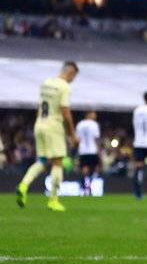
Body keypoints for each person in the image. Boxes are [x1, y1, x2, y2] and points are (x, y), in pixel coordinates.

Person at [16, 61, 79, 211]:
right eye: (73, 77)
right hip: (53, 126)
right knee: (58, 163)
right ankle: (53, 199)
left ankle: (24, 184)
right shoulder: (64, 87)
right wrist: (72, 134)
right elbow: (65, 112)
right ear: (70, 73)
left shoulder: (46, 83)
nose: (72, 80)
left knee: (43, 160)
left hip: (40, 124)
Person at [76, 111, 101, 196]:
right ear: (88, 114)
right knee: (93, 169)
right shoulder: (94, 124)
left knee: (84, 169)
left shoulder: (80, 125)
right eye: (94, 114)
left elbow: (78, 139)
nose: (95, 116)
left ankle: (84, 187)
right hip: (92, 150)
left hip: (83, 150)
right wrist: (98, 150)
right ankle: (89, 186)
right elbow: (96, 138)